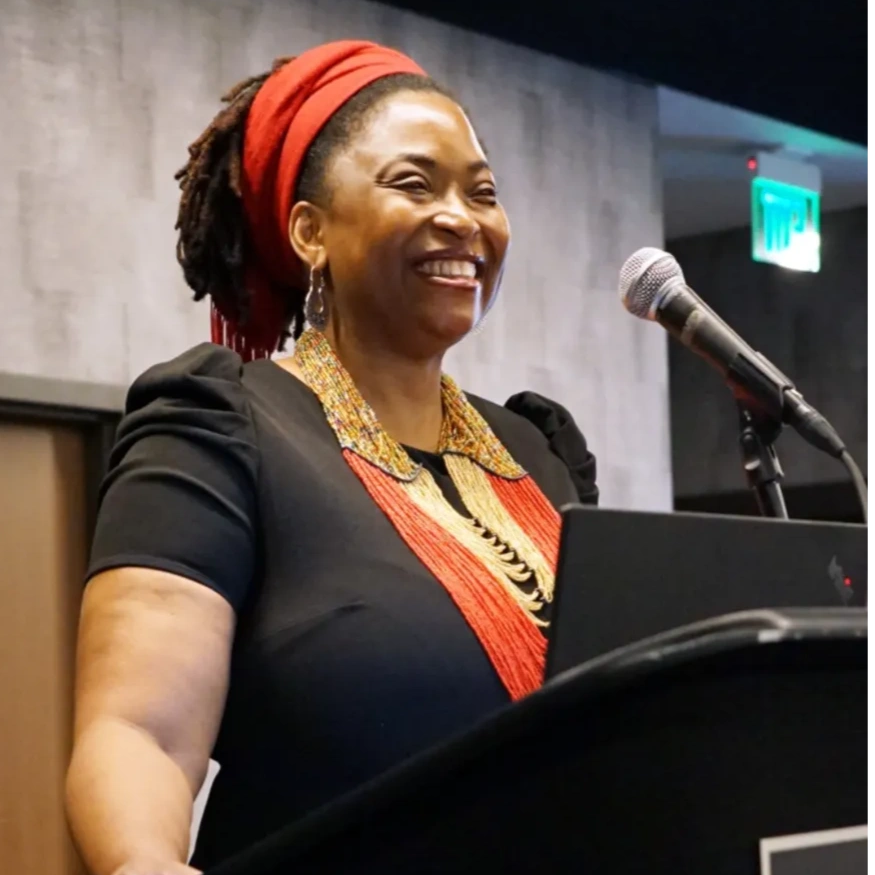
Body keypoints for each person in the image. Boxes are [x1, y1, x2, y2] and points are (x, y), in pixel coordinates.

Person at [65, 40, 598, 875]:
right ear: (310, 230)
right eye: (413, 184)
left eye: (483, 192)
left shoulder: (539, 449)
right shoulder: (219, 426)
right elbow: (142, 735)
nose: (462, 216)